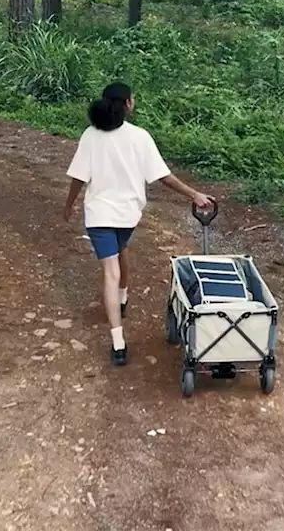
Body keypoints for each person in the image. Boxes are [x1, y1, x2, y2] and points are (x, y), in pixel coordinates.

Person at [63, 83, 212, 366]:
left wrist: (69, 203)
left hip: (99, 215)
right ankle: (122, 301)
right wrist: (194, 194)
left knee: (112, 268)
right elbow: (162, 176)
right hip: (128, 214)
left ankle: (118, 343)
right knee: (119, 257)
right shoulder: (140, 137)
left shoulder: (90, 135)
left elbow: (79, 178)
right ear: (129, 104)